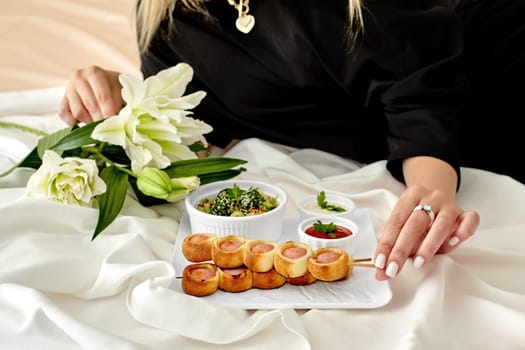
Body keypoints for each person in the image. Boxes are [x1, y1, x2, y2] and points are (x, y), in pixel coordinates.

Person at [58, 0, 525, 280]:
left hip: (490, 92)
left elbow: (423, 105)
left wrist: (433, 192)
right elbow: (197, 117)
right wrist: (127, 96)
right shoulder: (168, 9)